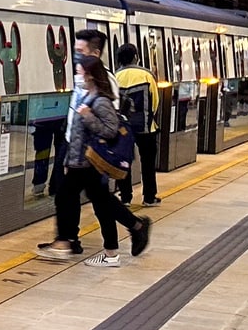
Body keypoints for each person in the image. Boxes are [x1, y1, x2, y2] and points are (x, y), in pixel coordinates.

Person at [39, 53, 150, 267]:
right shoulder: (88, 97)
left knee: (74, 198)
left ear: (90, 75)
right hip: (81, 161)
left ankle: (74, 244)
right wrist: (69, 160)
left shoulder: (99, 101)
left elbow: (109, 130)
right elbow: (77, 134)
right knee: (100, 201)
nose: (78, 75)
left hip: (91, 162)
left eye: (81, 71)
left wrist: (88, 115)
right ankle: (132, 230)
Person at [112, 42, 162, 208]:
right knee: (147, 162)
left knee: (124, 160)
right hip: (146, 127)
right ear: (136, 57)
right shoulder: (147, 75)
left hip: (122, 127)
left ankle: (125, 197)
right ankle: (149, 197)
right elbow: (155, 101)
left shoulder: (115, 77)